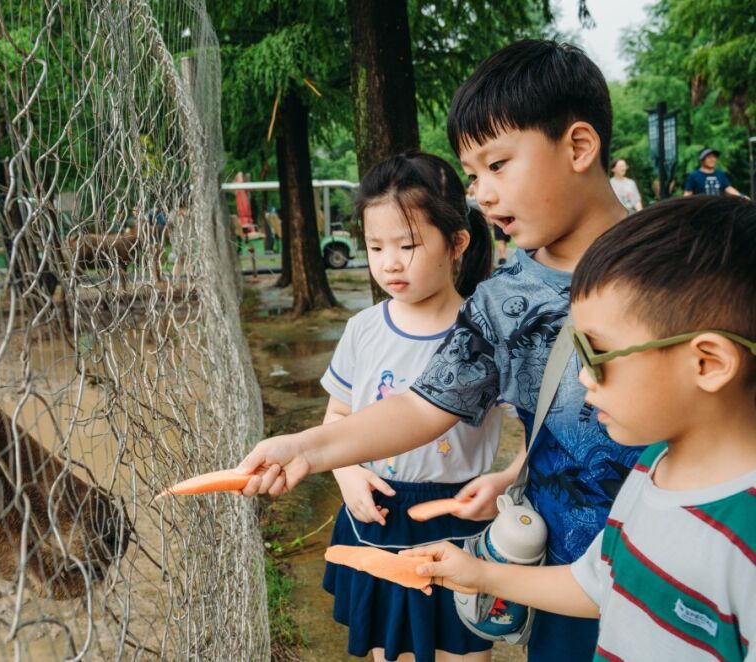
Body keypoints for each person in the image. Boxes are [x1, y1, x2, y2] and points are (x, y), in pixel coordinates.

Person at [236, 40, 644, 661]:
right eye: (473, 176)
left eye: (498, 165)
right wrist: (307, 449)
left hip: (682, 562)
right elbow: (422, 405)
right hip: (563, 574)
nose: (483, 195)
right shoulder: (502, 300)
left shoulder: (688, 268)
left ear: (579, 146)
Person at [404, 195, 756, 662]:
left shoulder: (744, 536)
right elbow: (598, 582)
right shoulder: (652, 469)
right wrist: (481, 575)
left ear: (708, 363)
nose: (583, 378)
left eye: (596, 354)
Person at [320, 153, 500, 662]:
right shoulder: (363, 329)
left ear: (457, 243)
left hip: (459, 517)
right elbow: (337, 417)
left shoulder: (487, 332)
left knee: (463, 650)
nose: (390, 263)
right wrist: (346, 473)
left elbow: (536, 430)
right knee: (390, 649)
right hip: (378, 516)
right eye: (376, 247)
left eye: (408, 245)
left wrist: (507, 487)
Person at [467, 183, 508, 265]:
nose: (472, 189)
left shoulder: (479, 198)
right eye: (470, 187)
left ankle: (493, 260)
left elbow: (486, 210)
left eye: (473, 187)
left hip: (483, 223)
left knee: (486, 241)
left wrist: (490, 220)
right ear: (468, 189)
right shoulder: (466, 199)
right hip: (470, 224)